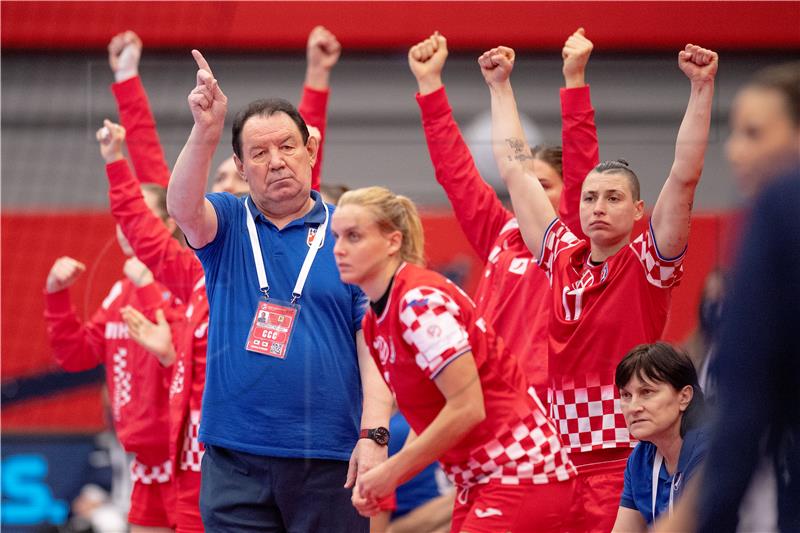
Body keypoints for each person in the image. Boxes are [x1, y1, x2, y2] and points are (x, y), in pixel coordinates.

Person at [485, 42, 718, 531]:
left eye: (613, 198)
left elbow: (684, 176)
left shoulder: (649, 264)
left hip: (623, 462)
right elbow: (515, 170)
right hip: (559, 461)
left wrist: (701, 88)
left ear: (637, 212)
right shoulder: (559, 257)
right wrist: (500, 87)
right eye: (589, 196)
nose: (597, 206)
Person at [166, 50, 392, 532]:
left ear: (311, 149)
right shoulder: (226, 222)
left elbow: (373, 347)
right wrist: (205, 130)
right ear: (241, 166)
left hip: (331, 459)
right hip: (235, 459)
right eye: (259, 153)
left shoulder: (349, 235)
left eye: (287, 147)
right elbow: (182, 207)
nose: (276, 162)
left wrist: (375, 436)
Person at [332, 186, 576, 533]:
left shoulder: (419, 303)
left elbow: (468, 407)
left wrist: (393, 472)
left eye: (354, 236)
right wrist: (386, 476)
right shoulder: (374, 320)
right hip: (478, 479)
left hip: (522, 470)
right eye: (337, 236)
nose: (339, 249)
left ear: (392, 241)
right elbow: (429, 416)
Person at [408, 29, 598, 402]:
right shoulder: (502, 232)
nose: (530, 194)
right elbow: (455, 172)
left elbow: (583, 166)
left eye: (545, 186)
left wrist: (574, 81)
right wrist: (430, 85)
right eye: (530, 185)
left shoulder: (577, 241)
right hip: (493, 398)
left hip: (556, 405)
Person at [44, 219, 180, 532]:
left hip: (184, 458)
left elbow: (188, 361)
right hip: (140, 459)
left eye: (136, 216)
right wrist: (57, 295)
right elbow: (76, 356)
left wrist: (147, 288)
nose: (125, 228)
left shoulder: (188, 281)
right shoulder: (120, 291)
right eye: (121, 220)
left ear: (168, 223)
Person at [611, 343, 708, 531]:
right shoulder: (640, 459)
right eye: (626, 395)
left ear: (684, 396)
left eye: (647, 392)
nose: (633, 407)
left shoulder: (709, 451)